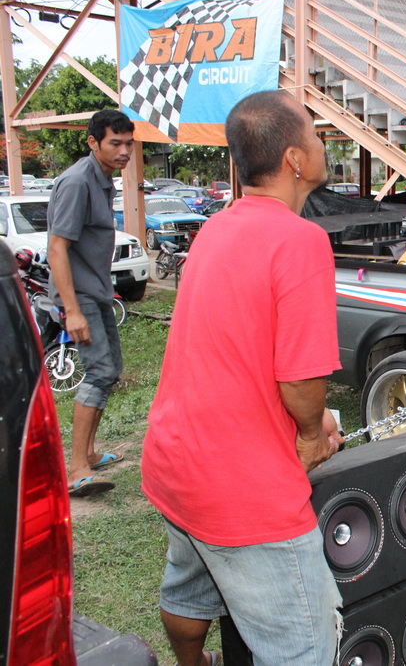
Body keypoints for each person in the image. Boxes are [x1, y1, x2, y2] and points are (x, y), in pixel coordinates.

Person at [141, 90, 344, 666]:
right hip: (243, 488)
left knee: (188, 589)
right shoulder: (301, 240)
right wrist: (312, 434)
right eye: (315, 133)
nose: (322, 143)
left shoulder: (216, 226)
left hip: (176, 461)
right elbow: (300, 380)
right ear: (295, 159)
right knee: (304, 648)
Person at [47, 109, 135, 497]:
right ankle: (76, 469)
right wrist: (72, 311)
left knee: (110, 370)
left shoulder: (102, 178)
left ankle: (89, 454)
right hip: (78, 295)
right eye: (115, 143)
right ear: (93, 142)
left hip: (95, 291)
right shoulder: (77, 182)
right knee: (99, 373)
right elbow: (57, 248)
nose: (124, 151)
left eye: (128, 144)